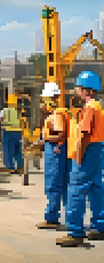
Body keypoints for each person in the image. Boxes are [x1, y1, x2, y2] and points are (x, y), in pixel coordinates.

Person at [58, 71, 104, 247]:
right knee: (96, 188)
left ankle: (75, 232)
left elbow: (84, 135)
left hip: (89, 151)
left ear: (88, 90)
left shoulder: (90, 108)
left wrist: (79, 157)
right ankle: (100, 227)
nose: (77, 91)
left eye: (79, 88)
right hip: (98, 149)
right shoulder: (98, 106)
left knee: (76, 190)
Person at [34, 82, 70, 230]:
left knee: (54, 185)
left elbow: (61, 135)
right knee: (61, 185)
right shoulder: (58, 113)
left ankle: (52, 217)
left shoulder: (57, 115)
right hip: (55, 149)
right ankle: (65, 217)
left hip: (56, 151)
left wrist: (44, 141)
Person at [1, 94, 24, 174]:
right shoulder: (18, 111)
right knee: (18, 150)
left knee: (9, 151)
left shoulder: (4, 111)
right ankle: (20, 167)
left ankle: (11, 168)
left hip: (8, 132)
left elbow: (0, 119)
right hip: (18, 132)